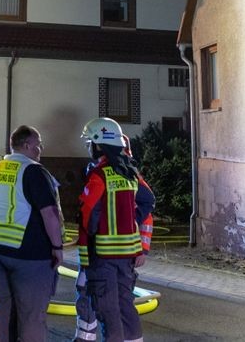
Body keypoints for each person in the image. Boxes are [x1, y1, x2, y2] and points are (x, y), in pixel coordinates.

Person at [0, 125, 65, 342]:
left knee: (5, 305)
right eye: (38, 145)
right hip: (27, 252)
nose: (41, 149)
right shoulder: (34, 171)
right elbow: (50, 214)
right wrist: (57, 247)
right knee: (31, 314)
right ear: (27, 145)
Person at [77, 118, 155, 342]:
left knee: (108, 312)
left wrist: (91, 242)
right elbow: (149, 200)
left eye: (90, 143)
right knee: (126, 309)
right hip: (127, 256)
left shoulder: (99, 175)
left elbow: (87, 215)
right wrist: (131, 221)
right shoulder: (130, 173)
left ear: (98, 145)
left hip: (103, 256)